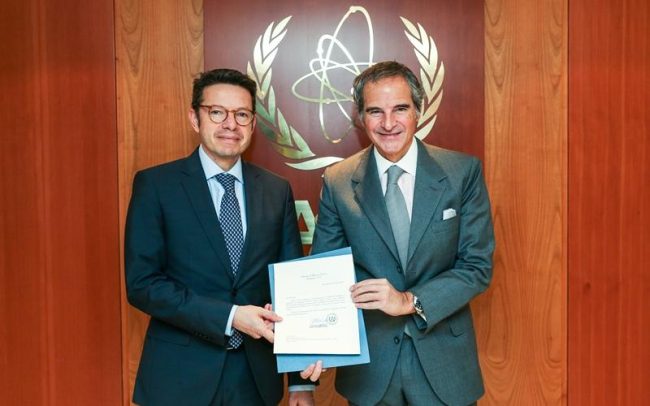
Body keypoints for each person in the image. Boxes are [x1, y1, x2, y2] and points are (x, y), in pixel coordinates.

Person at [125, 68, 316, 406]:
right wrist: (230, 316)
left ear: (253, 124)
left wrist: (301, 383)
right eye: (217, 112)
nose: (231, 124)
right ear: (195, 118)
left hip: (255, 380)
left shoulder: (276, 191)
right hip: (179, 379)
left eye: (242, 114)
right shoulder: (157, 186)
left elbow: (292, 287)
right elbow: (143, 284)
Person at [309, 61, 495, 405]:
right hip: (370, 370)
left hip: (444, 364)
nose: (388, 123)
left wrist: (409, 301)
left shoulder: (462, 172)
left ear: (418, 111)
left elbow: (476, 267)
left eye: (400, 109)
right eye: (375, 111)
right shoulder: (338, 181)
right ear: (360, 117)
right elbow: (324, 272)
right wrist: (310, 337)